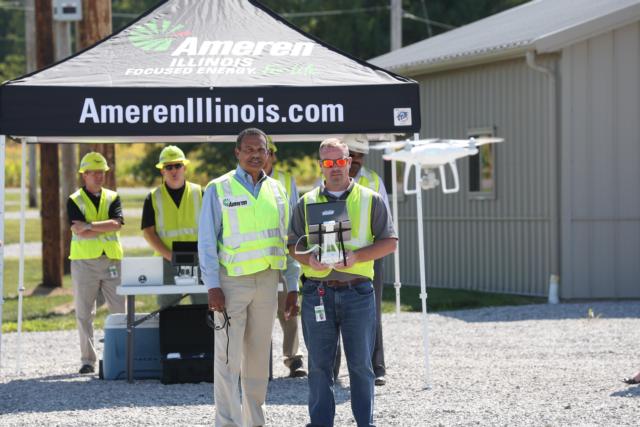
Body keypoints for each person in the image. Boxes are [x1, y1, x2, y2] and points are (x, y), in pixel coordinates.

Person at [289, 138, 397, 427]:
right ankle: (321, 423)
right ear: (321, 165)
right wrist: (308, 259)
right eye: (328, 162)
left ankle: (366, 423)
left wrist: (357, 256)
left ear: (350, 162)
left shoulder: (369, 198)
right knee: (319, 367)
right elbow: (292, 245)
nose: (334, 168)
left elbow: (390, 243)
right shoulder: (306, 202)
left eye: (340, 161)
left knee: (361, 366)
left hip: (358, 292)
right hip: (318, 292)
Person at [198, 128, 298, 427]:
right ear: (237, 153)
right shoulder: (219, 188)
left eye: (261, 149)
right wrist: (213, 285)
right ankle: (228, 423)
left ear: (268, 154)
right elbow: (206, 242)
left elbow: (288, 241)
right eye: (250, 149)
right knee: (228, 359)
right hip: (231, 284)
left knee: (257, 361)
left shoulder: (279, 191)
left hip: (267, 283)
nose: (256, 154)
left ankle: (254, 422)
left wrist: (292, 285)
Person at [333, 133, 390, 386]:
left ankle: (376, 367)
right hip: (333, 257)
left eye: (359, 156)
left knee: (372, 312)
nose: (355, 160)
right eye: (351, 155)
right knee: (331, 314)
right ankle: (330, 370)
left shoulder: (373, 180)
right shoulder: (329, 178)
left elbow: (385, 223)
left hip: (368, 256)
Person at [67, 152, 125, 374]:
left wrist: (89, 226)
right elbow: (77, 231)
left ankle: (121, 357)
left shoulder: (113, 197)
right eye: (95, 173)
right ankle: (87, 360)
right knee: (84, 313)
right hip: (84, 263)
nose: (100, 176)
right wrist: (102, 226)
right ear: (85, 175)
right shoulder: (74, 200)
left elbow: (117, 224)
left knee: (119, 310)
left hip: (111, 259)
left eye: (102, 172)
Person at [141, 145, 207, 307]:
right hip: (166, 261)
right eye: (168, 167)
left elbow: (214, 227)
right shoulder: (153, 198)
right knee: (167, 313)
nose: (173, 170)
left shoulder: (200, 193)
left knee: (204, 310)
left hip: (199, 260)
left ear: (184, 168)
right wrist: (171, 256)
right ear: (162, 171)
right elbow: (149, 233)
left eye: (177, 165)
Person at [263, 139, 306, 378]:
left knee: (288, 306)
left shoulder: (286, 180)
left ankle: (293, 358)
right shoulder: (243, 180)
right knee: (258, 309)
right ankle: (256, 361)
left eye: (267, 151)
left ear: (273, 156)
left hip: (283, 251)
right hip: (257, 255)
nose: (263, 156)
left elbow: (295, 215)